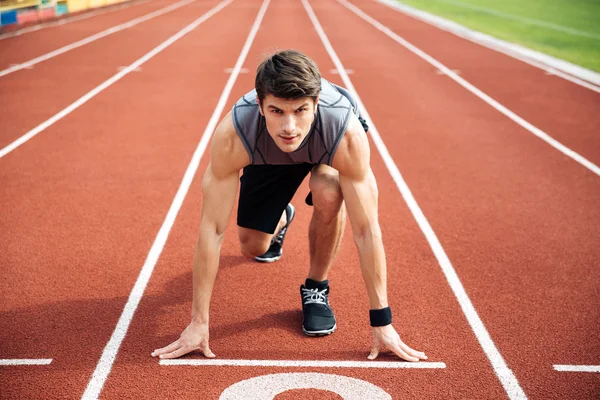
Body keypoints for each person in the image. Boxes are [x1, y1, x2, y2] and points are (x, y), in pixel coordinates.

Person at [152, 49, 427, 362]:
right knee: (252, 247)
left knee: (328, 191)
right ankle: (282, 217)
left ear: (316, 103)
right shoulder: (235, 135)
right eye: (277, 111)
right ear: (260, 105)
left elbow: (366, 230)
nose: (289, 126)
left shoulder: (344, 131)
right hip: (267, 152)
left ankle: (316, 287)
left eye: (300, 110)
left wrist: (383, 323)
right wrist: (198, 323)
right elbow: (213, 229)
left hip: (324, 146)